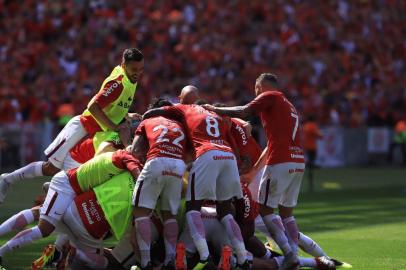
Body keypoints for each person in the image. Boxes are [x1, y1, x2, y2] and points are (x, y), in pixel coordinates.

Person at [0, 48, 144, 204]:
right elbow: (93, 106)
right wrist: (113, 126)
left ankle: (54, 187)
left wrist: (126, 115)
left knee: (83, 175)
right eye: (134, 69)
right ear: (123, 65)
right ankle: (8, 179)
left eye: (141, 69)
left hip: (96, 135)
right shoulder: (118, 84)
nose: (138, 73)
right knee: (50, 168)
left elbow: (113, 106)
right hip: (81, 128)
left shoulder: (131, 81)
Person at [203, 73, 305, 269]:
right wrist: (255, 169)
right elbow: (272, 143)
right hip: (297, 161)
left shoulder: (270, 96)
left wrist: (215, 109)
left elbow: (245, 110)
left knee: (265, 210)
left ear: (261, 87)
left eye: (256, 90)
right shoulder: (288, 105)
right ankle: (294, 255)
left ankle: (289, 253)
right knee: (287, 213)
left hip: (280, 162)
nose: (255, 94)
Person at [142, 90, 251, 269]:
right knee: (226, 210)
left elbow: (161, 111)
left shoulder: (184, 109)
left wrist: (146, 115)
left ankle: (204, 256)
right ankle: (242, 257)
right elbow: (234, 126)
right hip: (227, 154)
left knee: (193, 207)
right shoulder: (214, 112)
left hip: (206, 153)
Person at [0, 149, 141, 266]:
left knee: (51, 219)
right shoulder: (121, 153)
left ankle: (58, 253)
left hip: (77, 193)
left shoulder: (123, 153)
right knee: (45, 227)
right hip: (67, 183)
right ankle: (3, 251)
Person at [130, 98, 187, 269]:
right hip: (178, 165)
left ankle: (146, 261)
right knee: (169, 214)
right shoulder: (180, 125)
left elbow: (135, 150)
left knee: (140, 211)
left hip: (156, 161)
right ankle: (170, 259)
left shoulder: (148, 120)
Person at [303, 115, 323, 191]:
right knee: (311, 165)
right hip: (312, 148)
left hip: (306, 147)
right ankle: (311, 183)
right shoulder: (313, 126)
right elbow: (320, 135)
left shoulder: (305, 126)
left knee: (310, 165)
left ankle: (309, 166)